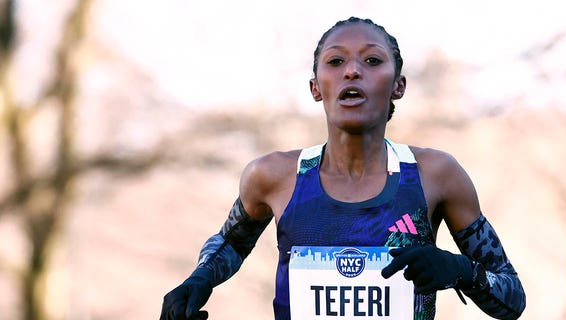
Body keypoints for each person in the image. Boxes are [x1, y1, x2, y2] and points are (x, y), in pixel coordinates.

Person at [160, 17, 526, 320]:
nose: (352, 71)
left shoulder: (436, 175)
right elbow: (230, 243)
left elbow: (513, 299)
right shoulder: (273, 176)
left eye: (372, 61)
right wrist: (199, 280)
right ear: (316, 87)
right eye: (336, 62)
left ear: (398, 85)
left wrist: (458, 269)